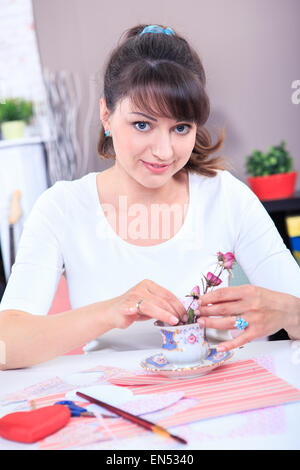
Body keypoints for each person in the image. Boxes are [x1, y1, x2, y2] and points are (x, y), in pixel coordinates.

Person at [0, 23, 300, 370]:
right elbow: (7, 344)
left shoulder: (226, 195)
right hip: (114, 405)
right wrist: (112, 310)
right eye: (142, 124)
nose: (163, 151)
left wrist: (288, 311)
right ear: (106, 115)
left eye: (181, 128)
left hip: (216, 399)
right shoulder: (62, 207)